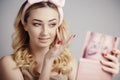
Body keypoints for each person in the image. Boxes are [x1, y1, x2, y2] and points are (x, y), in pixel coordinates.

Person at [0, 0, 120, 80]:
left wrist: (104, 74)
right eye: (37, 24)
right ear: (25, 25)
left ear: (59, 26)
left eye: (52, 24)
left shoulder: (68, 63)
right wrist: (48, 61)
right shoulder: (9, 63)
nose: (45, 32)